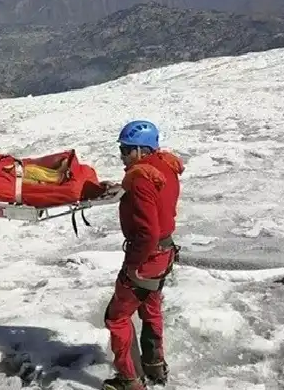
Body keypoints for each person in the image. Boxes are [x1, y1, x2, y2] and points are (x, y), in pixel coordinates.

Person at [102, 120, 184, 390]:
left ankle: (130, 380)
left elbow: (148, 232)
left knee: (117, 317)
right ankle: (155, 367)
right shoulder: (165, 167)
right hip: (165, 253)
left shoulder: (141, 179)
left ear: (140, 149)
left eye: (126, 150)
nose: (123, 155)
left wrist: (133, 266)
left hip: (147, 258)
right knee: (151, 309)